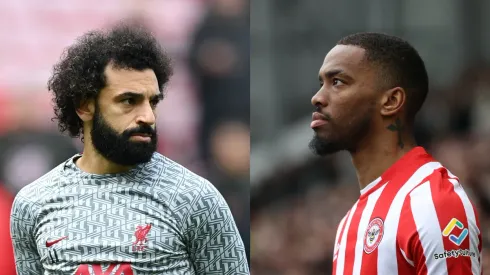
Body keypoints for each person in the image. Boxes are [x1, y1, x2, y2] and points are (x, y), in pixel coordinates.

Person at [10, 23, 249, 275]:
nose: (147, 116)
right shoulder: (33, 204)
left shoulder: (195, 198)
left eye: (152, 102)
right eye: (129, 101)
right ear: (84, 107)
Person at [309, 32, 482, 274]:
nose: (317, 98)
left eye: (337, 82)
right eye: (321, 84)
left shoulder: (434, 204)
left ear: (391, 101)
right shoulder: (349, 222)